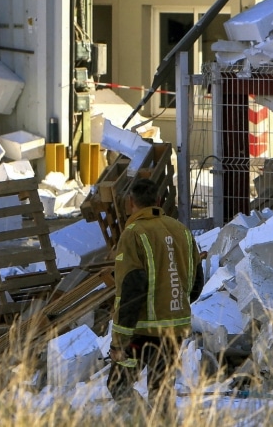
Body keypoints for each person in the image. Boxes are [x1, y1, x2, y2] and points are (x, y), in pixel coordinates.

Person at [107, 177, 204, 414]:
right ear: (158, 201)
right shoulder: (181, 230)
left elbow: (131, 287)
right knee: (161, 390)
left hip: (142, 331)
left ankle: (145, 420)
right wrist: (175, 305)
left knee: (118, 383)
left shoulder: (133, 233)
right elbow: (196, 282)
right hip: (175, 328)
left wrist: (119, 340)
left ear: (131, 203)